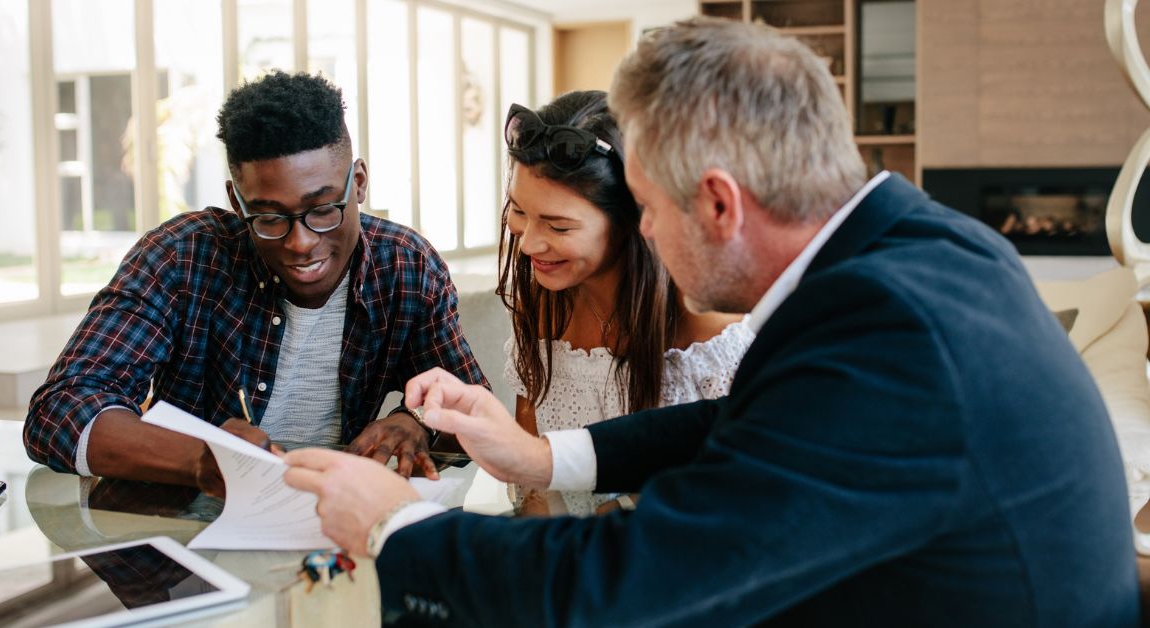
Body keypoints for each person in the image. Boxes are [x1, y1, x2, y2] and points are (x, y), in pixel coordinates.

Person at [284, 19, 1138, 626]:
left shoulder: (892, 337)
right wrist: (545, 457)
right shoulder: (922, 246)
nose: (645, 234)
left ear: (720, 203)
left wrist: (395, 525)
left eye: (648, 209)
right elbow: (750, 421)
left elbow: (634, 586)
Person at [25, 71, 487, 496]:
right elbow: (60, 410)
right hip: (189, 529)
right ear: (236, 200)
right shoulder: (182, 256)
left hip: (334, 521)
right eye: (267, 217)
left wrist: (416, 421)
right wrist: (200, 461)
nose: (302, 243)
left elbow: (474, 409)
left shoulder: (406, 266)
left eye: (324, 208)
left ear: (359, 184)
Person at [498, 90, 753, 515]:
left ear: (634, 223)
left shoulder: (704, 324)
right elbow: (533, 480)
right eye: (519, 211)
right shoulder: (545, 306)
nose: (528, 244)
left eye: (558, 226)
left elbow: (736, 489)